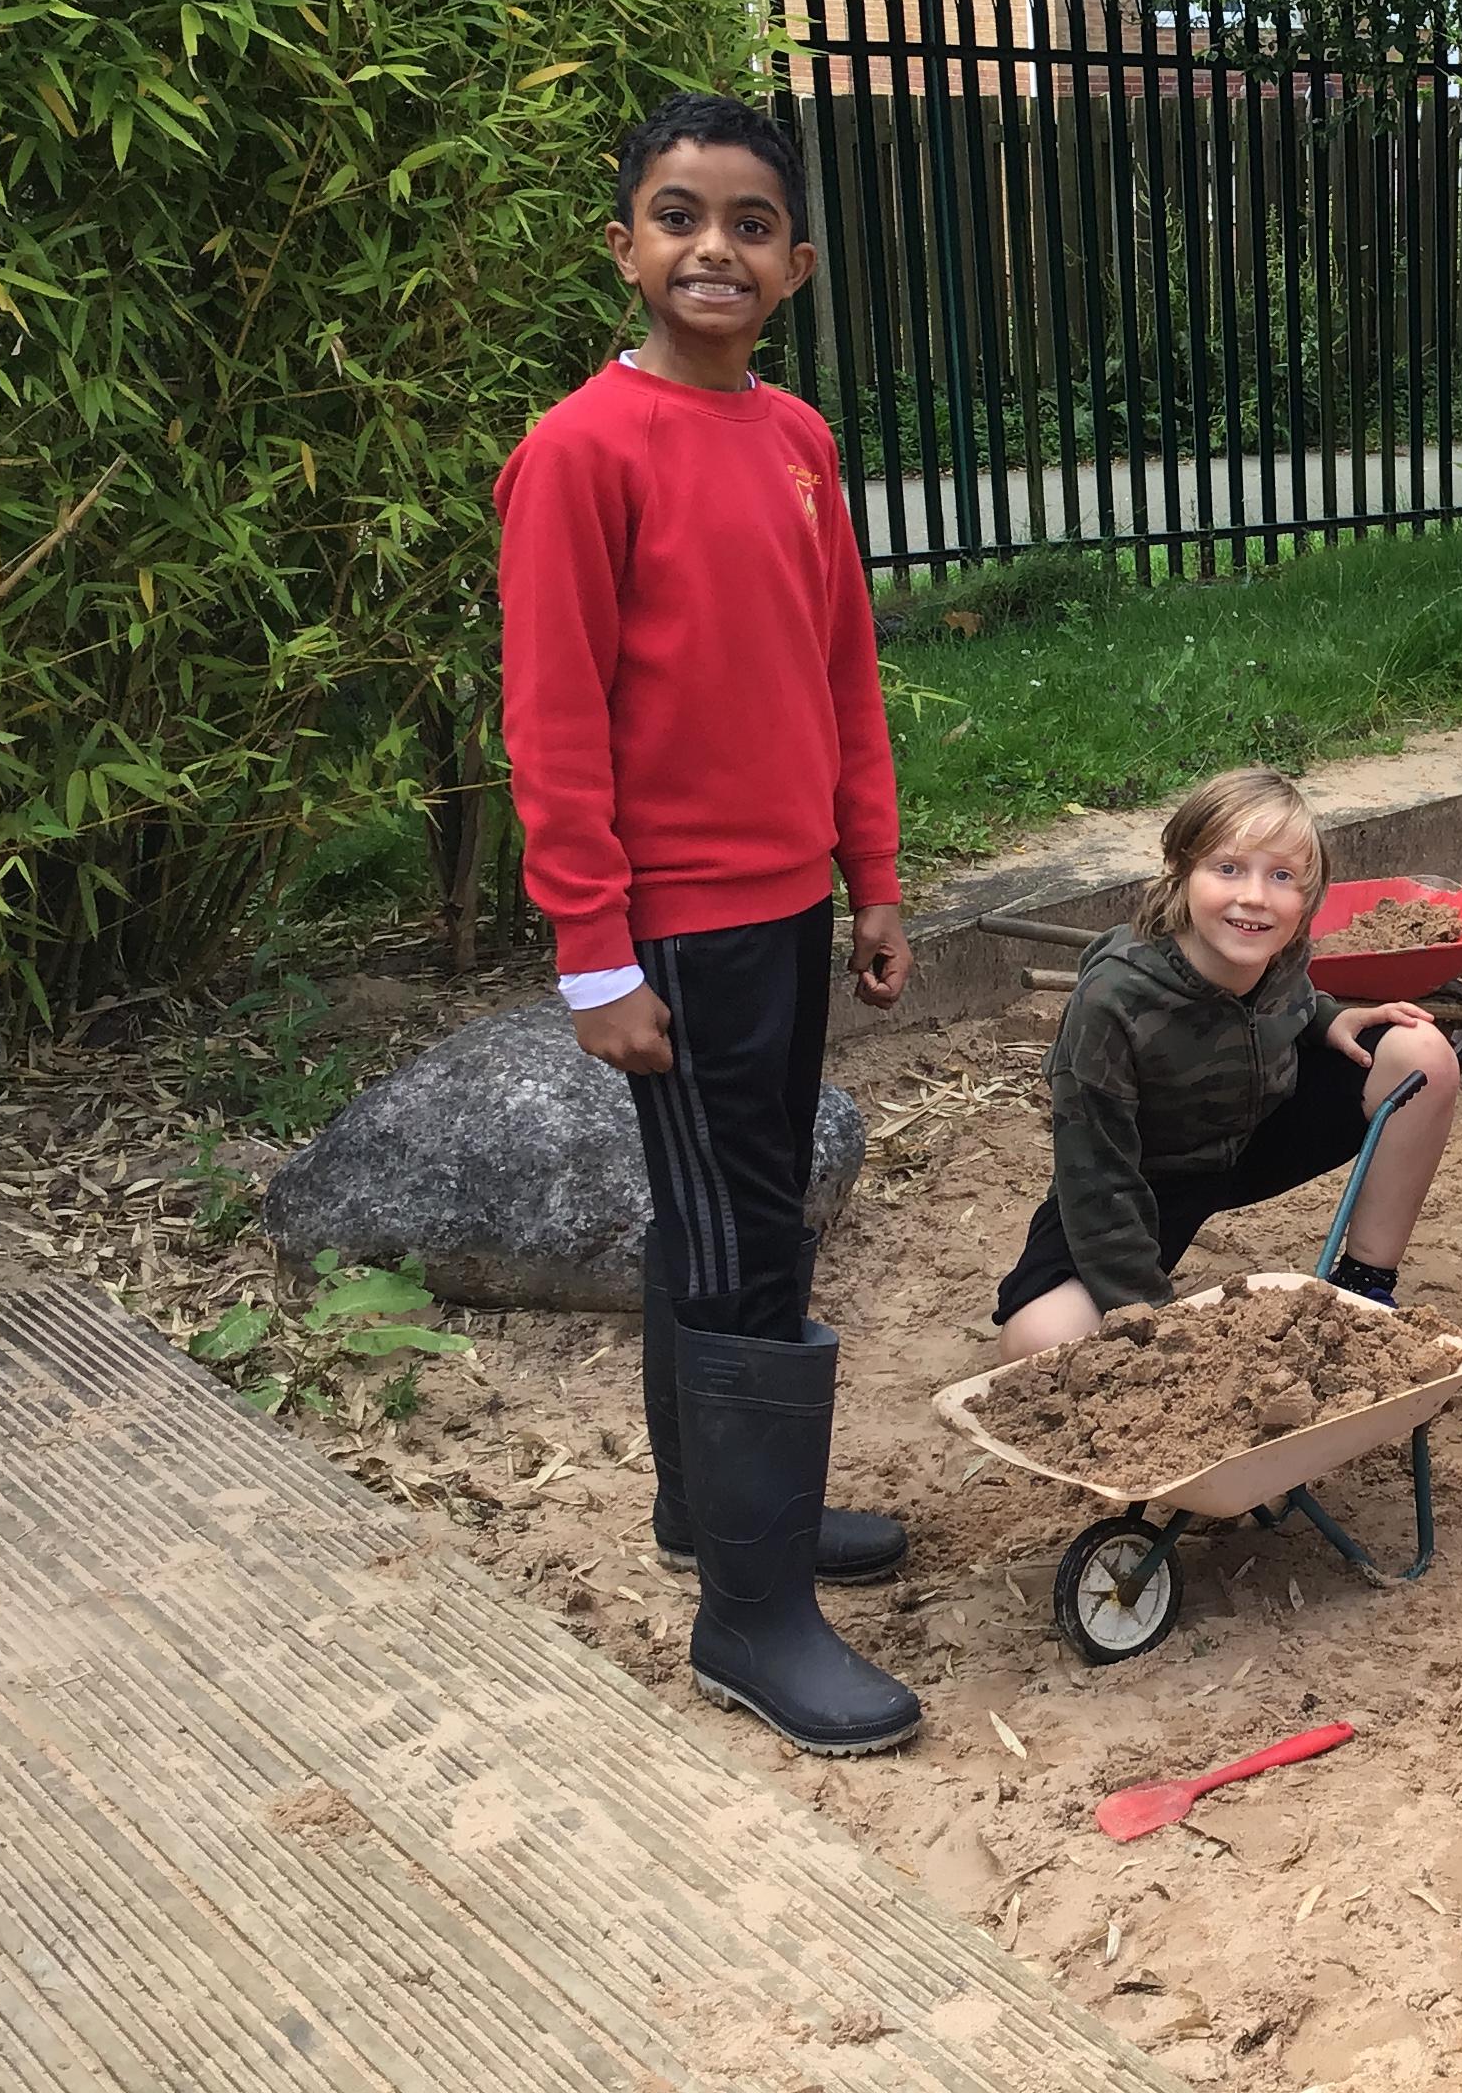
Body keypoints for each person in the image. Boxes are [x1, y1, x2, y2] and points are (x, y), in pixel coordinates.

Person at [498, 90, 922, 1758]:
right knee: (737, 1237)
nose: (714, 249)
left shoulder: (798, 441)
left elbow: (840, 673)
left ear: (795, 263)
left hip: (788, 907)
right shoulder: (580, 454)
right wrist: (593, 954)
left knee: (737, 1219)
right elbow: (554, 722)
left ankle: (717, 1511)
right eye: (679, 217)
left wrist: (871, 874)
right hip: (673, 932)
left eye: (751, 224)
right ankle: (750, 1617)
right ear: (625, 246)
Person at [993, 767, 1462, 1357]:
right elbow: (1095, 1172)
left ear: (1310, 894)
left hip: (1258, 1136)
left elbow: (1279, 1001)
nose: (1256, 897)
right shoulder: (1112, 1000)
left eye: (1283, 876)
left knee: (1421, 1053)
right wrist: (1145, 1317)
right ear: (1182, 868)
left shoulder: (1278, 945)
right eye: (1229, 868)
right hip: (1147, 1181)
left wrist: (1325, 1019)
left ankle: (1364, 1282)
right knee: (1038, 1340)